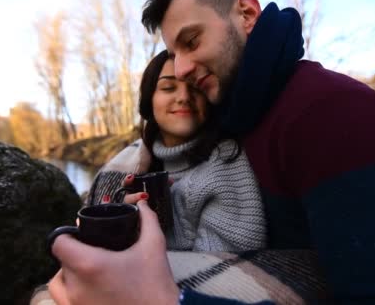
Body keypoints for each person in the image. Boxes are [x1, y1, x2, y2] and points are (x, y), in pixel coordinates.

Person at [48, 0, 375, 304]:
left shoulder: (331, 113)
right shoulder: (238, 119)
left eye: (191, 42)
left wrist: (167, 300)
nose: (180, 69)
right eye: (173, 55)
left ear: (247, 15)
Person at [87, 49, 266, 251]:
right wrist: (122, 226)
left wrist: (142, 241)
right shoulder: (134, 162)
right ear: (149, 100)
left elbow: (218, 272)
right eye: (168, 87)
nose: (184, 97)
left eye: (195, 87)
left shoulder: (226, 165)